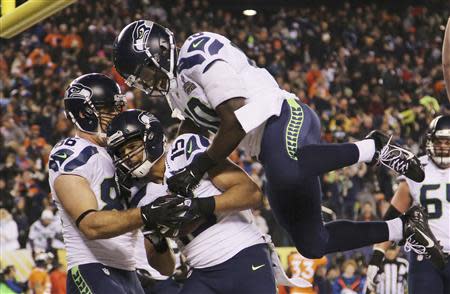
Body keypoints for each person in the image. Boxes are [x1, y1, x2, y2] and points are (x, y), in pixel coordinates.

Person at [112, 20, 444, 265]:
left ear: (158, 48)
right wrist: (174, 168)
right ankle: (401, 228)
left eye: (144, 72)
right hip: (269, 150)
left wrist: (198, 166)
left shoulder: (197, 54)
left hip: (282, 114)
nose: (146, 83)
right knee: (313, 242)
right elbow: (192, 125)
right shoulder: (175, 88)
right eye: (138, 80)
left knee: (287, 172)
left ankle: (375, 147)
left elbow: (234, 121)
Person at [106, 109, 283, 294]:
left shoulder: (184, 150)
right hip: (200, 271)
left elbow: (252, 194)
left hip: (242, 252)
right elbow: (165, 268)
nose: (128, 156)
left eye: (132, 147)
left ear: (150, 138)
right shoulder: (140, 196)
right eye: (122, 152)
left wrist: (199, 206)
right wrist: (157, 240)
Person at [48, 73, 178, 294]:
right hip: (91, 267)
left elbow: (165, 268)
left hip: (130, 273)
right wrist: (147, 213)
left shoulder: (124, 156)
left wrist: (158, 236)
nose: (116, 114)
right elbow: (90, 225)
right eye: (108, 109)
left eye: (118, 107)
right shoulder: (71, 152)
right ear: (84, 113)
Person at [366, 115, 450, 294]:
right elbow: (393, 216)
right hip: (425, 256)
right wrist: (377, 254)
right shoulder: (416, 167)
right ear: (429, 141)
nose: (443, 146)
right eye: (438, 141)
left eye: (447, 142)